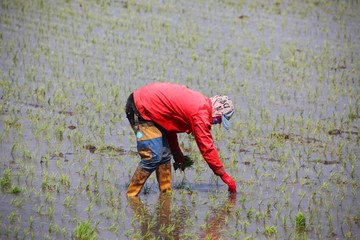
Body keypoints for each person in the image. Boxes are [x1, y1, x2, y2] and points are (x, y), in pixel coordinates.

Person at [125, 82, 236, 197]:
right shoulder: (200, 113)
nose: (215, 123)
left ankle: (165, 196)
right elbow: (207, 148)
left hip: (151, 107)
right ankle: (131, 197)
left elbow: (169, 127)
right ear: (217, 111)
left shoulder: (200, 103)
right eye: (218, 120)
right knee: (153, 156)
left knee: (164, 155)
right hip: (140, 107)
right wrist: (224, 176)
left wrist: (177, 154)